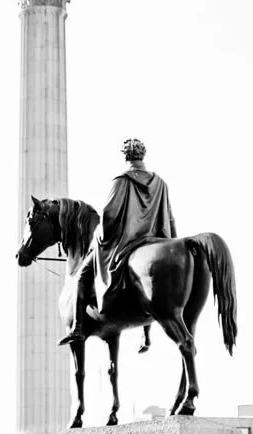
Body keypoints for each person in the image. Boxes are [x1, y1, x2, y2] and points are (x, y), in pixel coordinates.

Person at [59, 138, 177, 347]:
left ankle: (77, 327)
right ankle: (146, 334)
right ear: (142, 155)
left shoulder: (122, 180)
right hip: (155, 240)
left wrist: (97, 236)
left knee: (81, 276)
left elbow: (109, 215)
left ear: (125, 156)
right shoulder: (160, 183)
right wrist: (172, 243)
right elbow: (169, 218)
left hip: (126, 242)